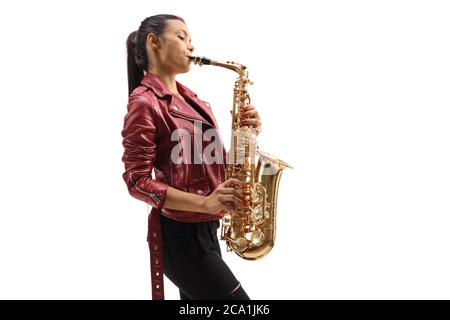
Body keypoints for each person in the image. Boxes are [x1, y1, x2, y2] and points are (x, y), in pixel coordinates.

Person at [122, 14, 261, 300]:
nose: (191, 47)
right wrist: (205, 202)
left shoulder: (193, 100)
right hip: (179, 236)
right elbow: (136, 181)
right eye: (182, 37)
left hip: (207, 230)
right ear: (154, 42)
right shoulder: (143, 102)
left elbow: (216, 162)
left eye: (191, 40)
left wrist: (247, 136)